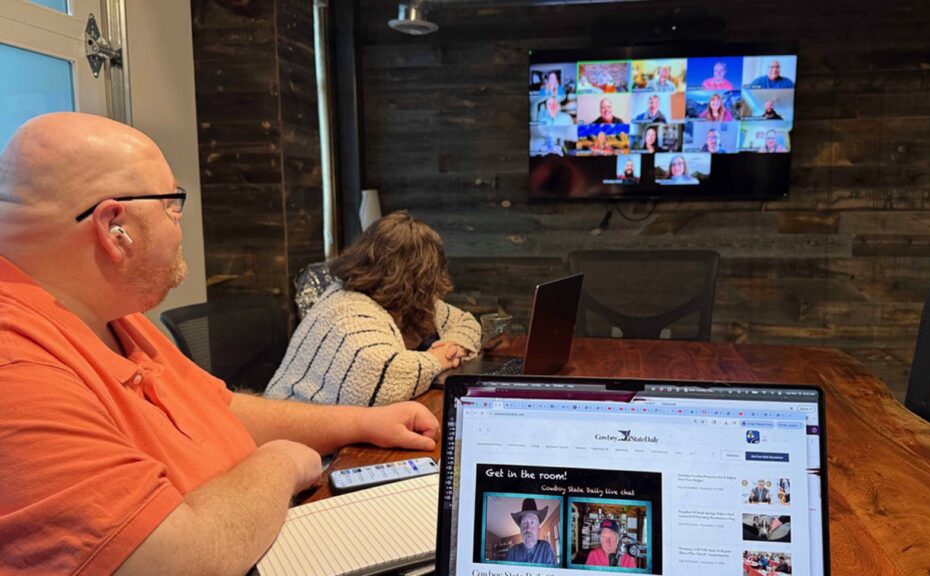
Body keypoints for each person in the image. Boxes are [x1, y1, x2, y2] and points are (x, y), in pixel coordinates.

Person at [0, 112, 440, 574]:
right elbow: (171, 561)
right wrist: (280, 463)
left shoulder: (110, 314)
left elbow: (219, 409)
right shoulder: (17, 367)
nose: (179, 223)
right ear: (116, 228)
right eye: (173, 205)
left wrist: (364, 422)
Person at [265, 211, 480, 406]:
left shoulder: (403, 304)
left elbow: (465, 322)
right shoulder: (347, 307)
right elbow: (383, 379)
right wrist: (437, 359)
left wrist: (452, 346)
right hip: (292, 434)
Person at [504, 499, 557, 565]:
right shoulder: (511, 552)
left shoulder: (546, 548)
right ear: (521, 530)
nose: (528, 529)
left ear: (538, 529)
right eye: (524, 523)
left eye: (532, 522)